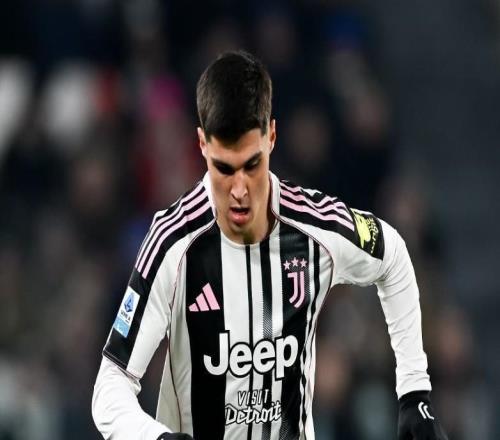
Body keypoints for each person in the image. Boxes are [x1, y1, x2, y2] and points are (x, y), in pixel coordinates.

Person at [92, 50, 448, 440]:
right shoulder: (172, 242)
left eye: (252, 164)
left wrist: (413, 391)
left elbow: (392, 254)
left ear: (271, 137)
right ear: (202, 145)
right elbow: (110, 386)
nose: (239, 190)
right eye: (224, 168)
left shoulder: (314, 226)